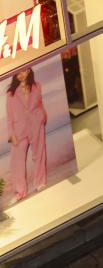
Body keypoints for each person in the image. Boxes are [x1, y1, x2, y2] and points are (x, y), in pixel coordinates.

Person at [6, 68, 47, 204]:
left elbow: (40, 104)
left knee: (39, 155)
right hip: (19, 131)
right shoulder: (10, 94)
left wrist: (43, 117)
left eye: (23, 71)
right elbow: (9, 116)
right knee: (17, 163)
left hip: (36, 125)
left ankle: (40, 182)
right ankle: (20, 192)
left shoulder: (37, 86)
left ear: (29, 71)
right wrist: (12, 135)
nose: (21, 75)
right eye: (18, 73)